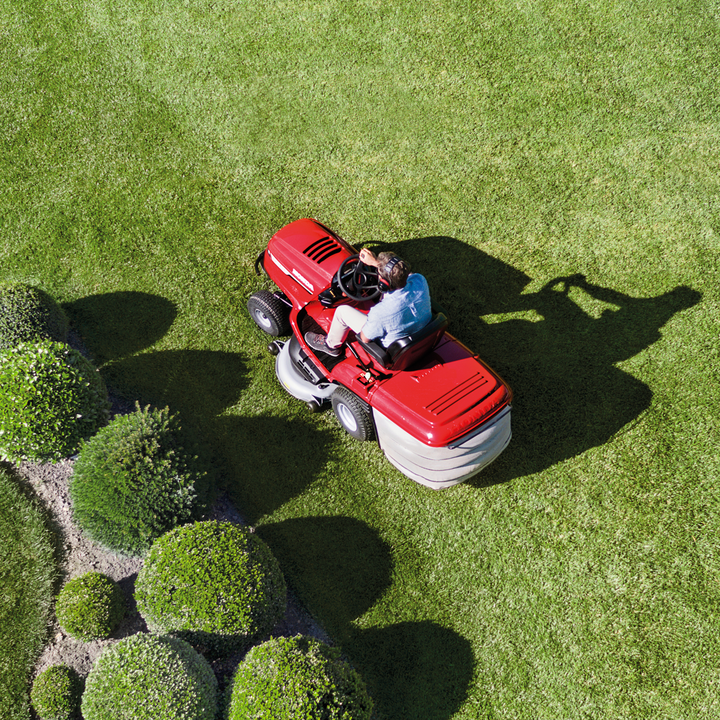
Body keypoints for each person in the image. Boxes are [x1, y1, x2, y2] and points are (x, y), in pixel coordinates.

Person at [305, 248, 432, 357]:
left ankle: (331, 346)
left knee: (341, 312)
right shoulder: (420, 280)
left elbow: (365, 338)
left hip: (390, 345)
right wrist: (376, 263)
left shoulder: (380, 313)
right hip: (420, 331)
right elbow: (405, 275)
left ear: (383, 284)